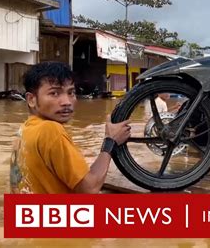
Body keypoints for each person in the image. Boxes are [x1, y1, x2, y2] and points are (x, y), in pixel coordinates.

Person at [10, 62, 131, 194]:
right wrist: (110, 142)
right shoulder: (50, 130)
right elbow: (89, 188)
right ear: (31, 99)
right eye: (54, 93)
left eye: (71, 92)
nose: (67, 102)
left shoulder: (24, 130)